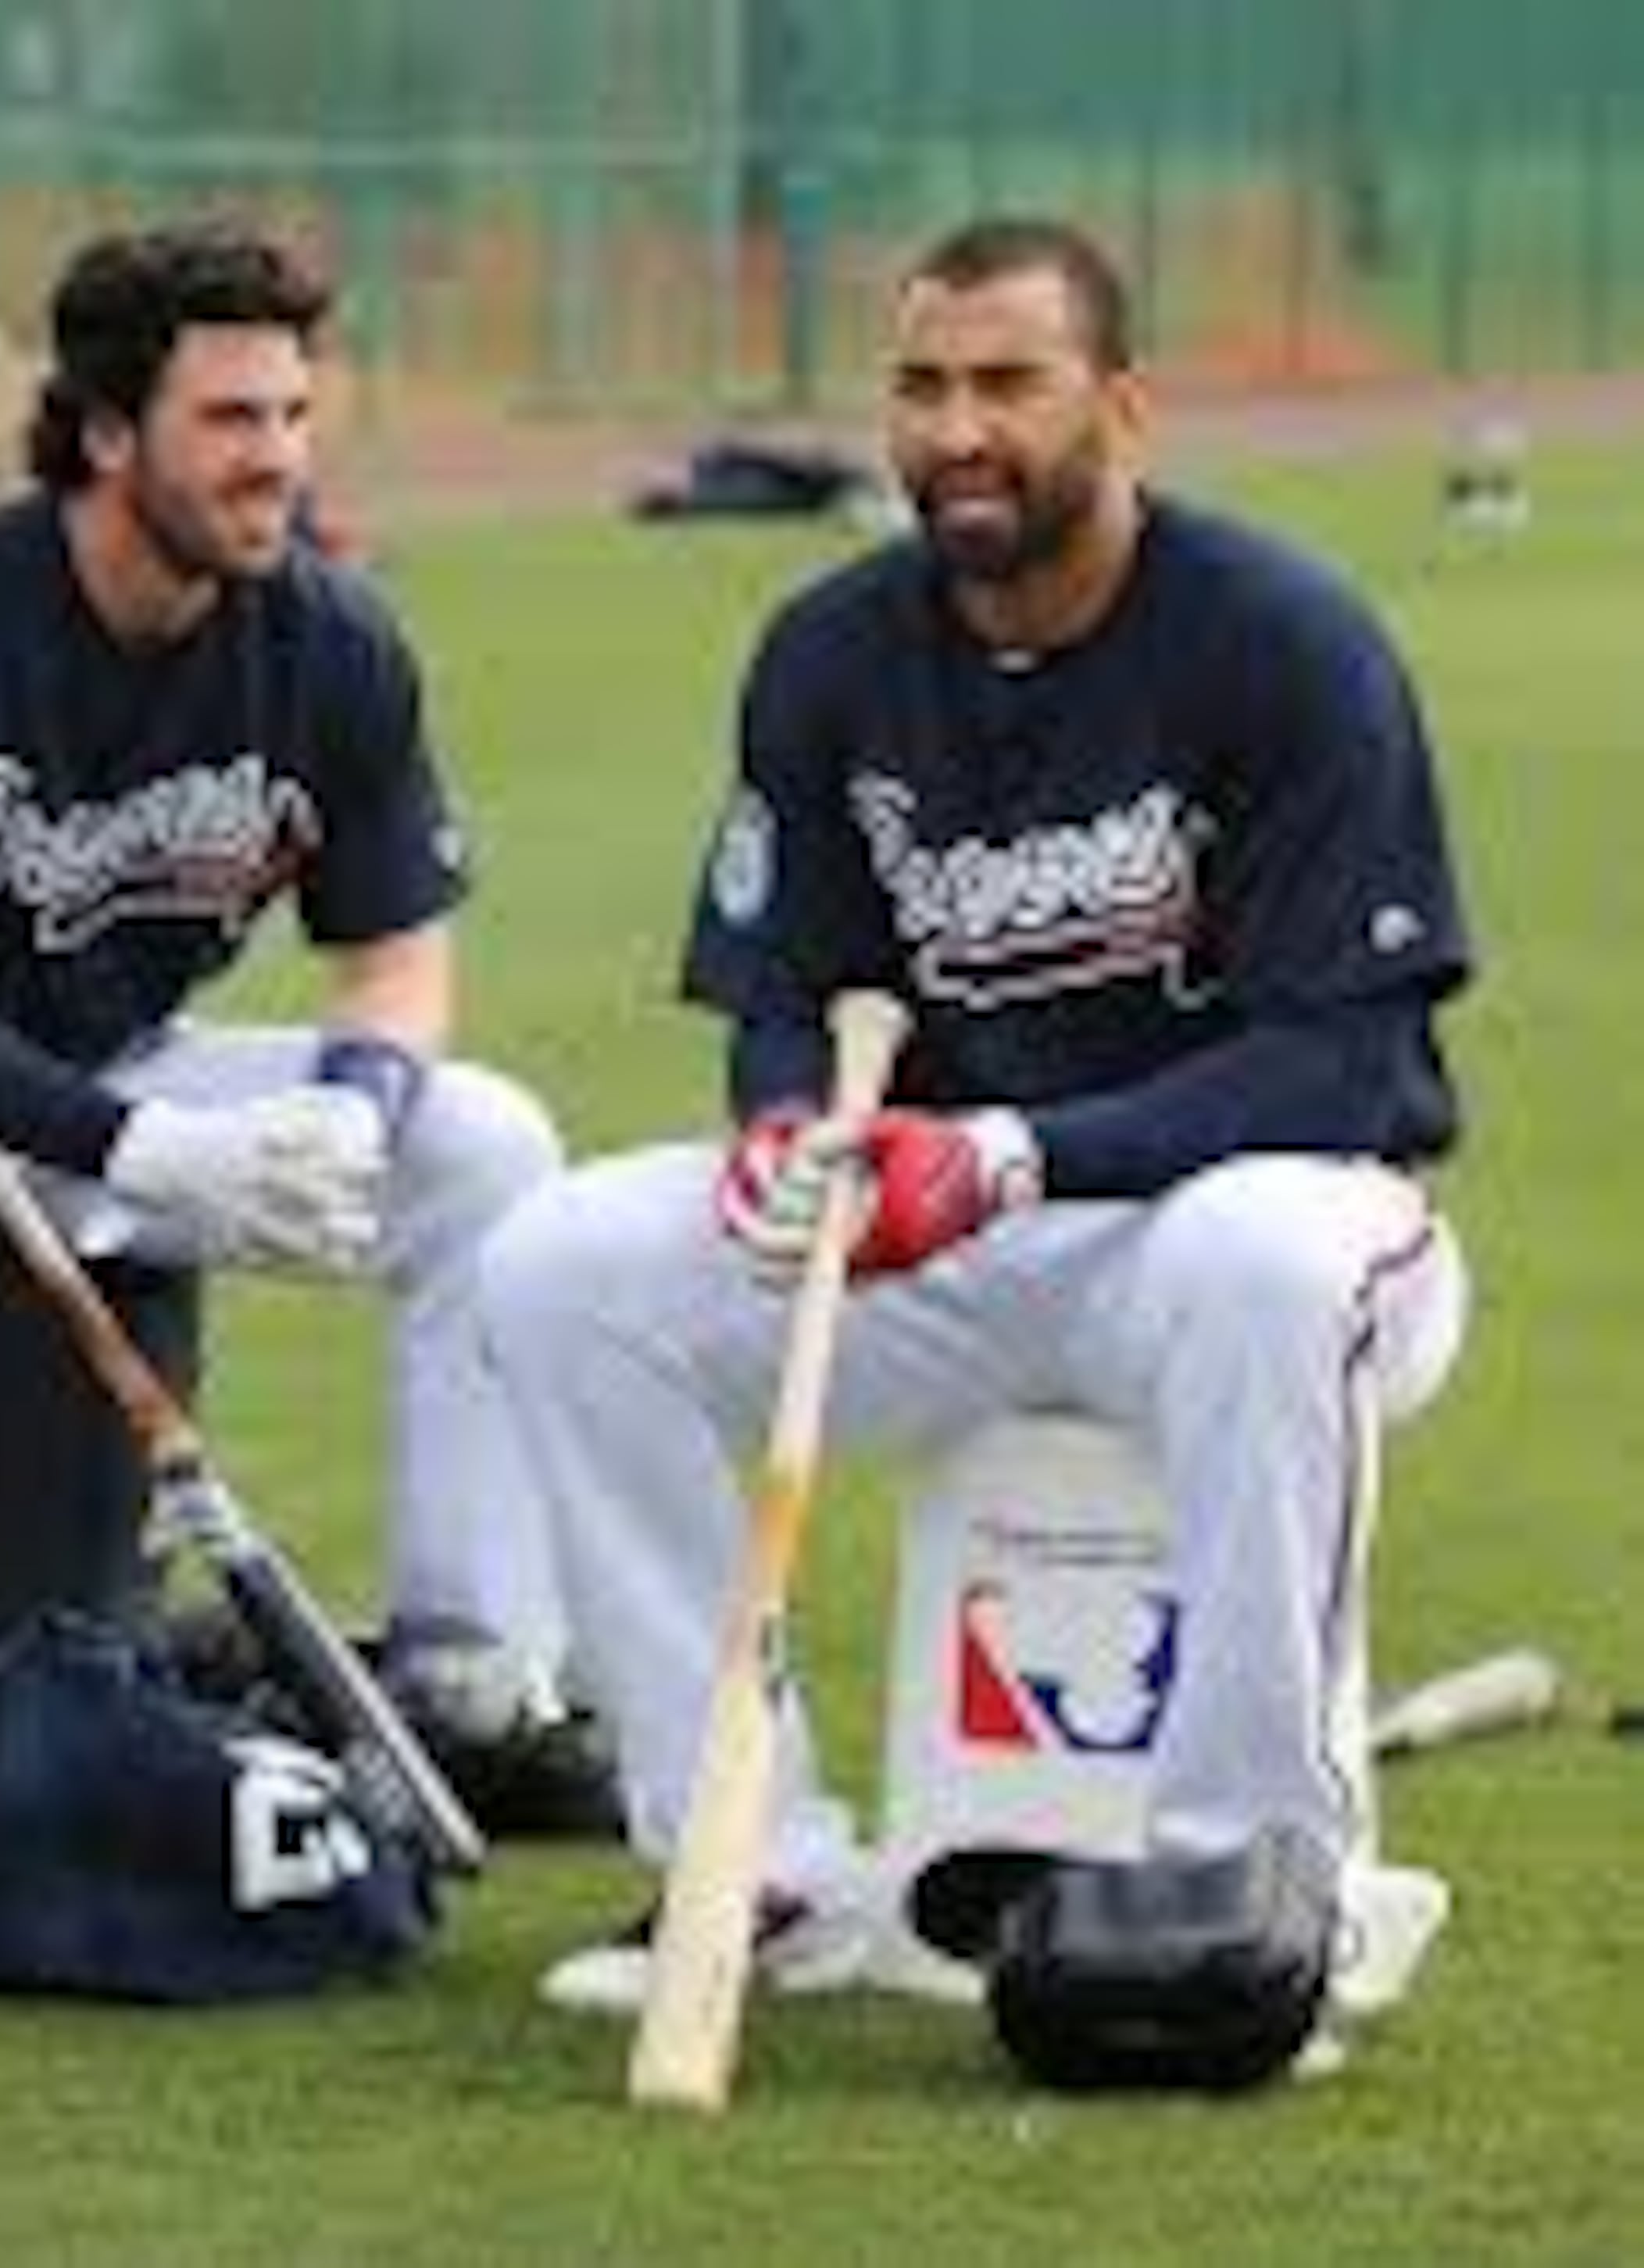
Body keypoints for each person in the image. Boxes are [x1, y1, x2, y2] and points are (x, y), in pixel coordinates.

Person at [479, 215, 1474, 2022]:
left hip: (1271, 1232)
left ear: (1121, 406)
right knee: (560, 1267)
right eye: (921, 386)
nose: (956, 430)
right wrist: (785, 1132)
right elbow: (785, 988)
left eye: (1006, 383)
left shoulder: (1282, 644)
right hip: (948, 1234)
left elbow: (1337, 1061)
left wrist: (1011, 1153)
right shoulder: (828, 653)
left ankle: (1256, 1888)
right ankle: (752, 1870)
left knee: (1258, 1255)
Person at [0, 218, 599, 1806]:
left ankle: (470, 1671)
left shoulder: (329, 637)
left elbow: (400, 949)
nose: (276, 459)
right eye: (229, 421)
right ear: (102, 432)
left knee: (487, 1145)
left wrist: (360, 1101)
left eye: (292, 415)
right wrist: (143, 1147)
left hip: (117, 1083)